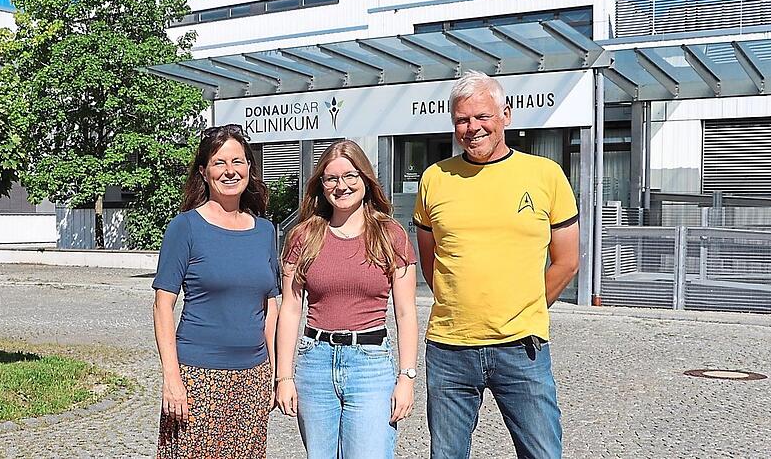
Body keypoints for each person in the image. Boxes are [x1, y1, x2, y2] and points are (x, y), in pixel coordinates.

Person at [414, 70, 580, 459]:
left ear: (506, 115)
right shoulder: (435, 178)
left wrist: (526, 308)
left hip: (522, 348)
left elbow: (568, 261)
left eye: (482, 116)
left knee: (542, 453)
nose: (472, 128)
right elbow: (430, 261)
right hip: (450, 349)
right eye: (462, 119)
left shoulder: (545, 175)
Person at [275, 139, 418, 459]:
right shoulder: (303, 236)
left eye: (350, 176)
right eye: (332, 178)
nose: (342, 186)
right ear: (321, 185)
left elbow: (406, 312)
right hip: (315, 363)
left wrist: (407, 377)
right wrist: (284, 376)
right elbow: (290, 309)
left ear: (365, 179)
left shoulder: (391, 236)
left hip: (370, 364)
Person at [152, 124, 280, 459]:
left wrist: (275, 373)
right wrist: (172, 378)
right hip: (197, 378)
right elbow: (162, 306)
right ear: (204, 172)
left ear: (249, 168)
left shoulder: (265, 231)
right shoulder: (185, 227)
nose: (230, 171)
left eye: (237, 161)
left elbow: (270, 306)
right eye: (219, 162)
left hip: (253, 378)